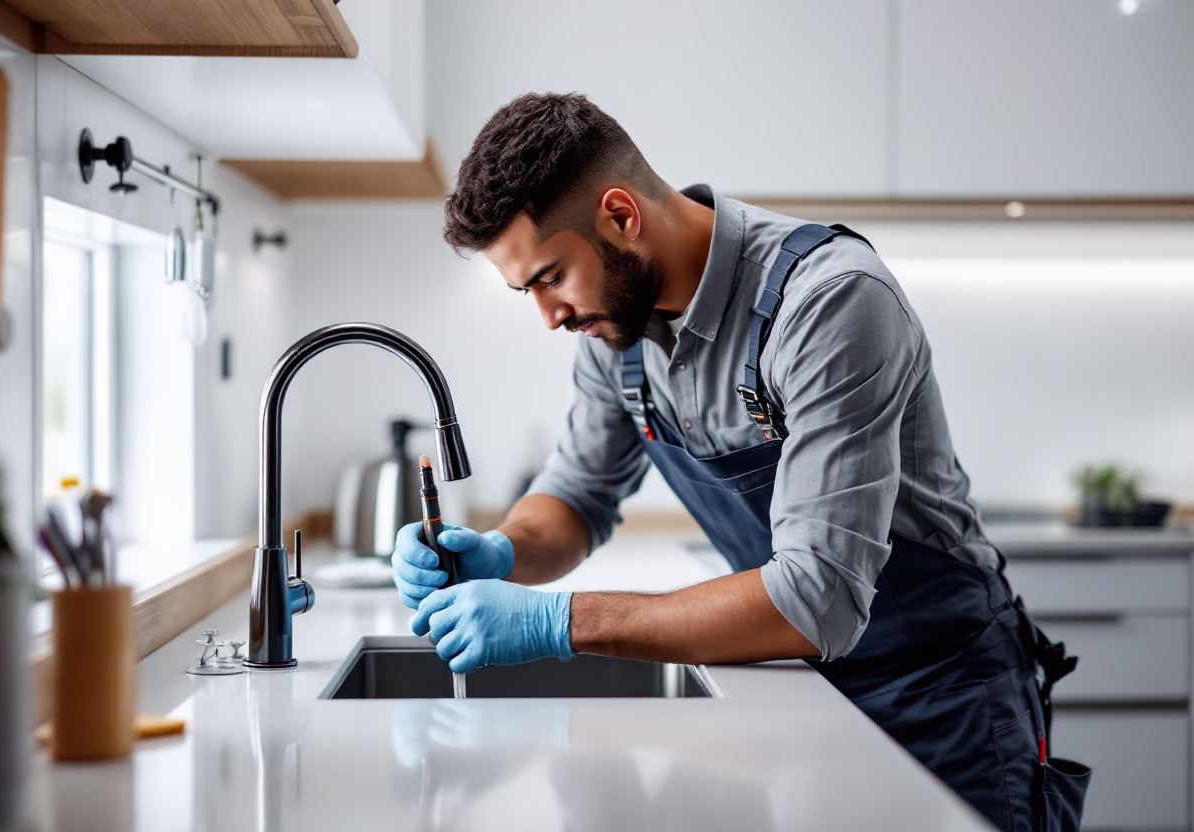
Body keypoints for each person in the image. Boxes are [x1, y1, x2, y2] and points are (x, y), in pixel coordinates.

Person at [392, 93, 1087, 831]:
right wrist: (504, 551)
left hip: (941, 695)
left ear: (621, 216)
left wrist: (557, 623)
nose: (549, 316)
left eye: (550, 277)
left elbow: (816, 597)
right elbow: (577, 492)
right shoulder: (615, 331)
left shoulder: (827, 301)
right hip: (799, 686)